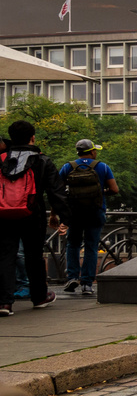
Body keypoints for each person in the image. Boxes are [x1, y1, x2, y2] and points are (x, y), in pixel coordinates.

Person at [0, 121, 67, 314]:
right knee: (34, 256)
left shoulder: (1, 159)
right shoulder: (41, 160)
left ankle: (4, 302)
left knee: (5, 256)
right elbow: (57, 192)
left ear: (10, 138)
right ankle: (39, 297)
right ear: (33, 138)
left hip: (3, 215)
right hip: (33, 213)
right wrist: (65, 218)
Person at [59, 139, 118, 297]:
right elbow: (114, 189)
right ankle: (87, 284)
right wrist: (99, 193)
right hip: (95, 212)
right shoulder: (102, 167)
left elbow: (57, 190)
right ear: (92, 152)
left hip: (75, 213)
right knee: (91, 247)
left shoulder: (67, 167)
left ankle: (72, 277)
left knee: (73, 245)